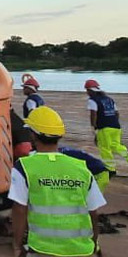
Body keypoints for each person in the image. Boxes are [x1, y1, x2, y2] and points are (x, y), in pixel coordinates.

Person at [10, 106, 105, 257]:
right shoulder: (81, 168)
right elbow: (93, 212)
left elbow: (19, 209)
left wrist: (17, 245)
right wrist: (94, 242)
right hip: (81, 249)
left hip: (43, 248)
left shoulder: (24, 167)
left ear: (33, 135)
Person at [84, 79, 127, 171]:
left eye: (87, 90)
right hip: (116, 126)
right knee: (115, 145)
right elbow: (117, 113)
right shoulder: (109, 99)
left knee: (104, 148)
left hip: (104, 128)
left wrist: (93, 127)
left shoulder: (92, 100)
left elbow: (93, 114)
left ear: (89, 91)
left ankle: (110, 168)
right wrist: (113, 122)